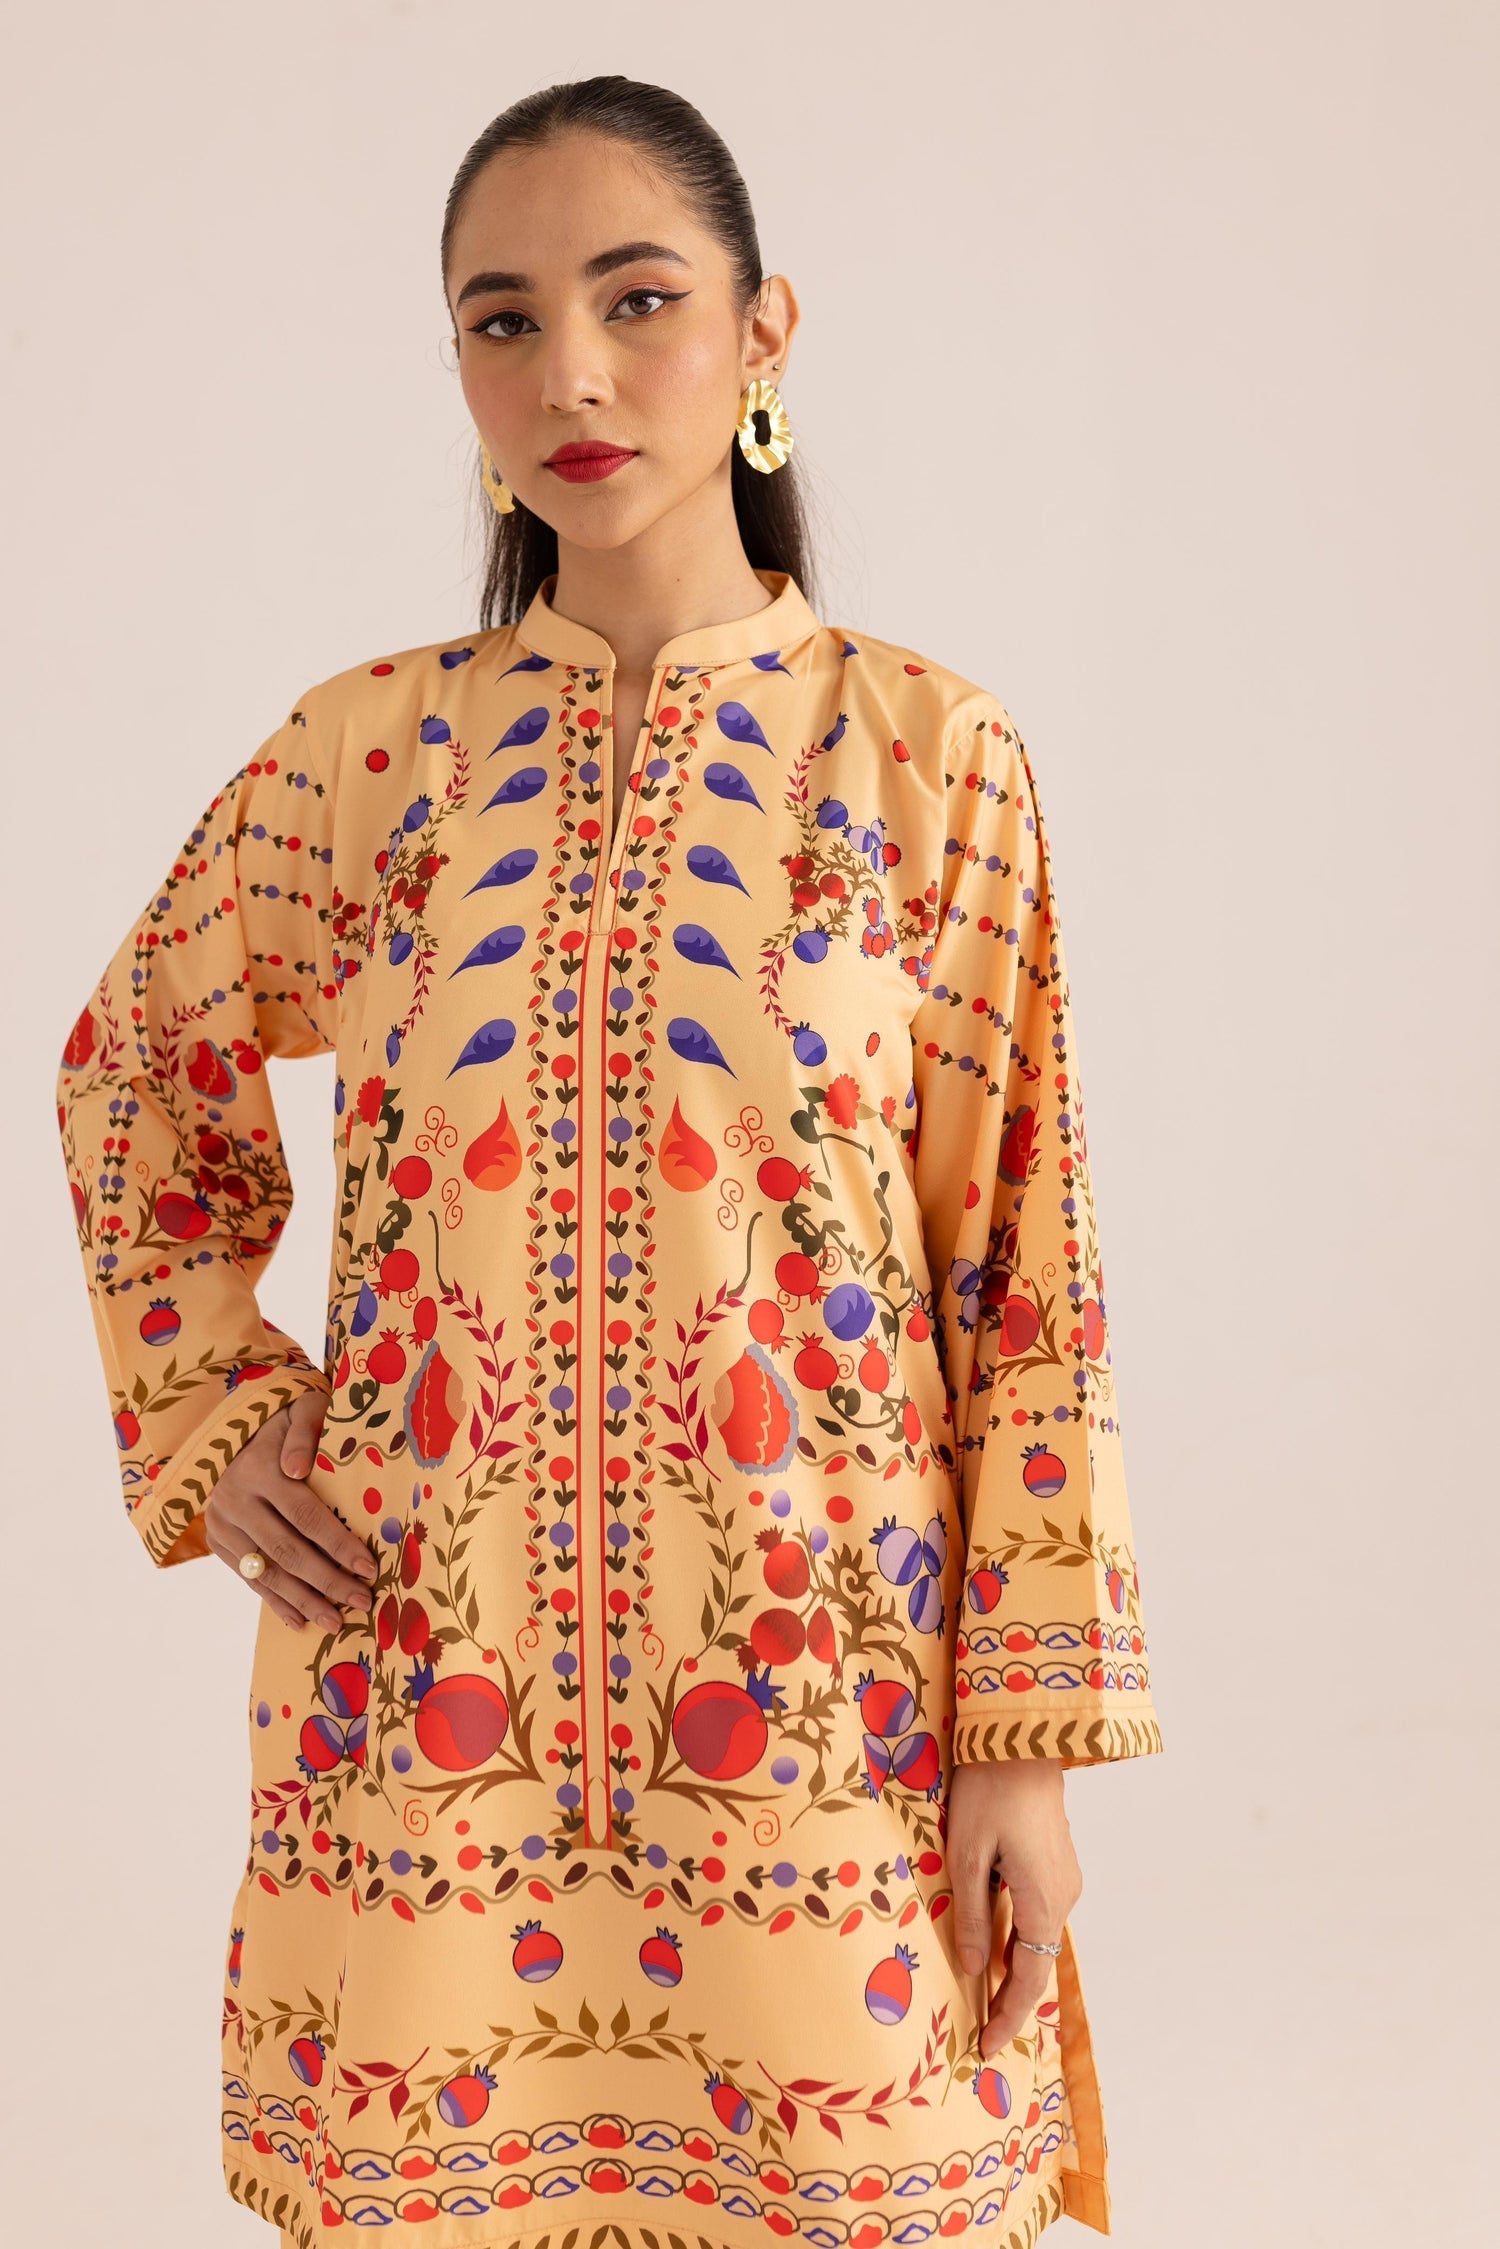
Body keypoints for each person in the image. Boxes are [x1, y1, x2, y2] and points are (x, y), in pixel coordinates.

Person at [55, 74, 1163, 2249]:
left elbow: (1023, 1268)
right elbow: (132, 1067)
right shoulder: (366, 759)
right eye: (503, 319)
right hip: (422, 1711)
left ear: (764, 333)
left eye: (636, 298)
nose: (568, 370)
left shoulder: (929, 758)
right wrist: (215, 1407)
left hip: (826, 1709)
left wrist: (1020, 1748)